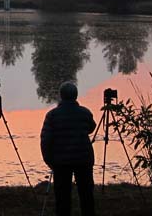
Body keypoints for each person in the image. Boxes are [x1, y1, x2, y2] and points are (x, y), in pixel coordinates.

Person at [41, 82, 97, 216]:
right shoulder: (85, 113)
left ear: (61, 96)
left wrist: (49, 160)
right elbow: (91, 128)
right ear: (76, 96)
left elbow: (45, 140)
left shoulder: (52, 115)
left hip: (61, 162)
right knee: (86, 194)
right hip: (83, 159)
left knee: (62, 196)